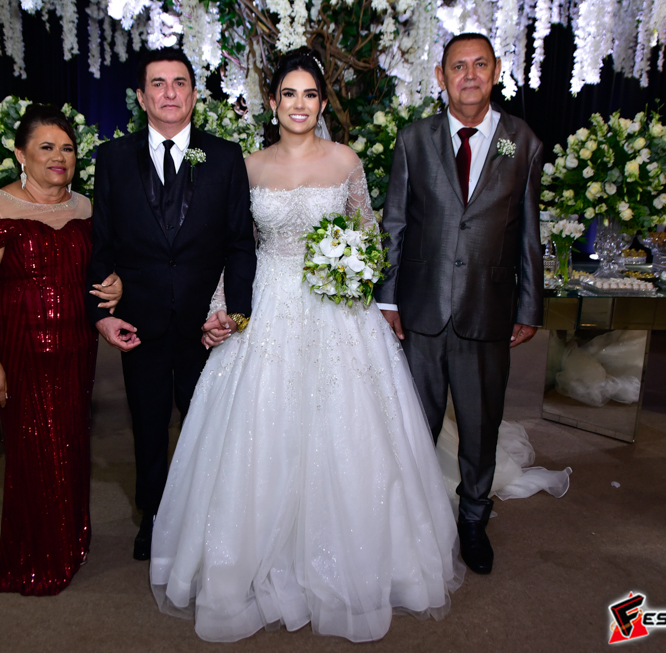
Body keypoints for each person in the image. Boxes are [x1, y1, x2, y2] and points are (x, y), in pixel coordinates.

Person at [149, 47, 463, 643]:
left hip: (337, 306)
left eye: (310, 95)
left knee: (347, 426)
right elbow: (234, 247)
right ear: (272, 102)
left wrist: (354, 267)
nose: (299, 105)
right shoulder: (246, 166)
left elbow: (368, 233)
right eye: (289, 94)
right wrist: (220, 307)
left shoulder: (345, 159)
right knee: (261, 424)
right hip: (267, 299)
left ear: (322, 104)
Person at [376, 33, 545, 576]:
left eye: (479, 65)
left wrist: (529, 306)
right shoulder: (414, 139)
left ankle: (473, 518)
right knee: (413, 425)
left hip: (486, 308)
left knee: (480, 425)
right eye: (457, 66)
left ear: (495, 72)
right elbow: (395, 223)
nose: (469, 75)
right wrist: (386, 298)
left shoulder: (521, 141)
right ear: (440, 76)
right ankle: (407, 520)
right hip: (420, 310)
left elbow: (529, 232)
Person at [85, 48, 257, 562]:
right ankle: (154, 516)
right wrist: (103, 314)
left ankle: (208, 517)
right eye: (157, 84)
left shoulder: (225, 156)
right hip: (141, 322)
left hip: (208, 325)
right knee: (148, 425)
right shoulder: (113, 158)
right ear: (141, 97)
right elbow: (101, 244)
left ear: (194, 95)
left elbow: (240, 244)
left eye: (179, 82)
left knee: (210, 427)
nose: (169, 93)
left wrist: (235, 313)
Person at [0, 104, 121, 596]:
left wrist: (116, 285)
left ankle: (68, 542)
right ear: (20, 154)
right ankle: (33, 559)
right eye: (46, 147)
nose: (59, 157)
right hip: (20, 355)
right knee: (32, 453)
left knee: (70, 448)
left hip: (76, 352)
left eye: (67, 148)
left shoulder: (88, 208)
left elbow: (103, 272)